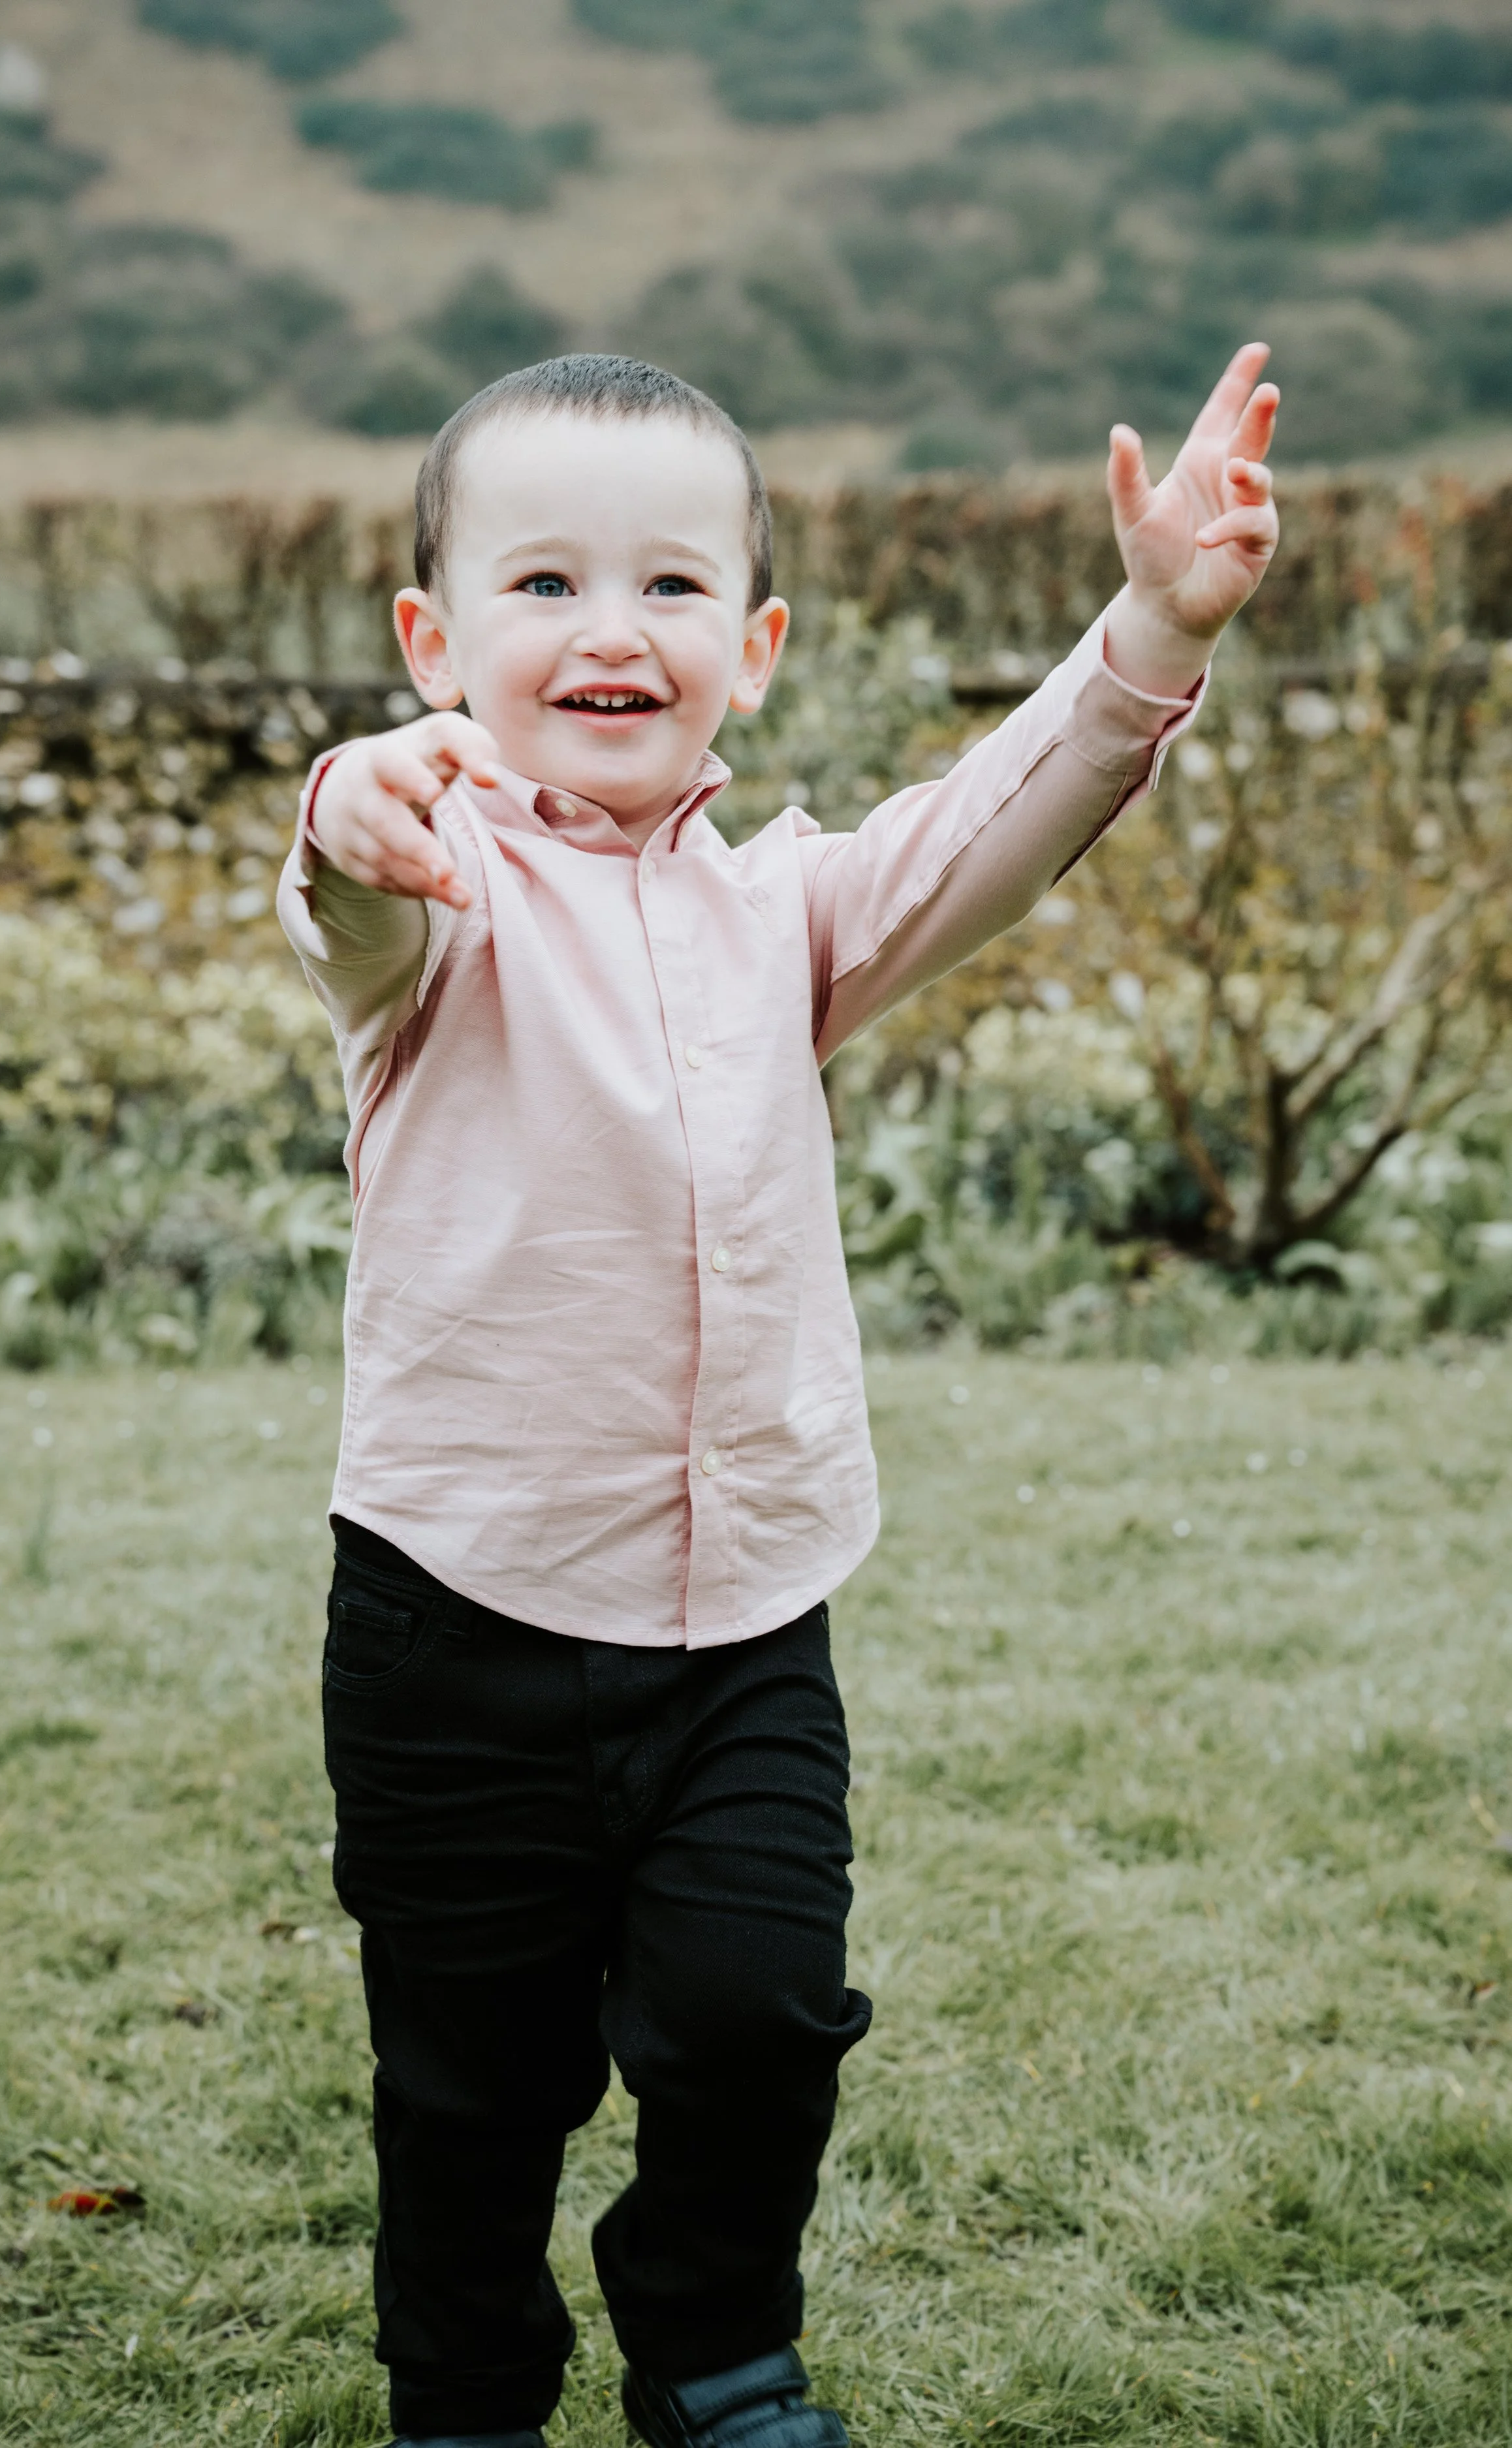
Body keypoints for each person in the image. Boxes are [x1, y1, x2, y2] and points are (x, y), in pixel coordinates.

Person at [277, 343, 1280, 2448]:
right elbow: (351, 881)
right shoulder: (436, 910)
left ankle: (715, 2344)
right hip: (452, 1618)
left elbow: (994, 828)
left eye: (666, 587)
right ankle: (464, 2391)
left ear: (754, 641)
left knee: (756, 2016)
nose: (607, 631)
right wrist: (353, 806)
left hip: (742, 1624)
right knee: (472, 2069)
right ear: (434, 637)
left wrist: (1154, 630)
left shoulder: (783, 914)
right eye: (539, 584)